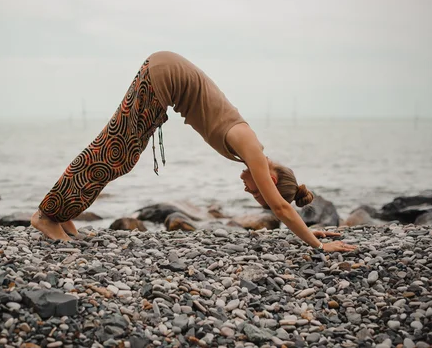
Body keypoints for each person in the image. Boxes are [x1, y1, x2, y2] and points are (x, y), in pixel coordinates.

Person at [31, 51, 357, 253]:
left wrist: (308, 229)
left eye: (255, 194)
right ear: (270, 177)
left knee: (120, 157)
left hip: (166, 76)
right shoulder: (253, 151)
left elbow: (282, 206)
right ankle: (46, 215)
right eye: (257, 191)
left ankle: (63, 214)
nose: (248, 190)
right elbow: (281, 207)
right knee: (115, 151)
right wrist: (318, 244)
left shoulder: (250, 149)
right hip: (164, 75)